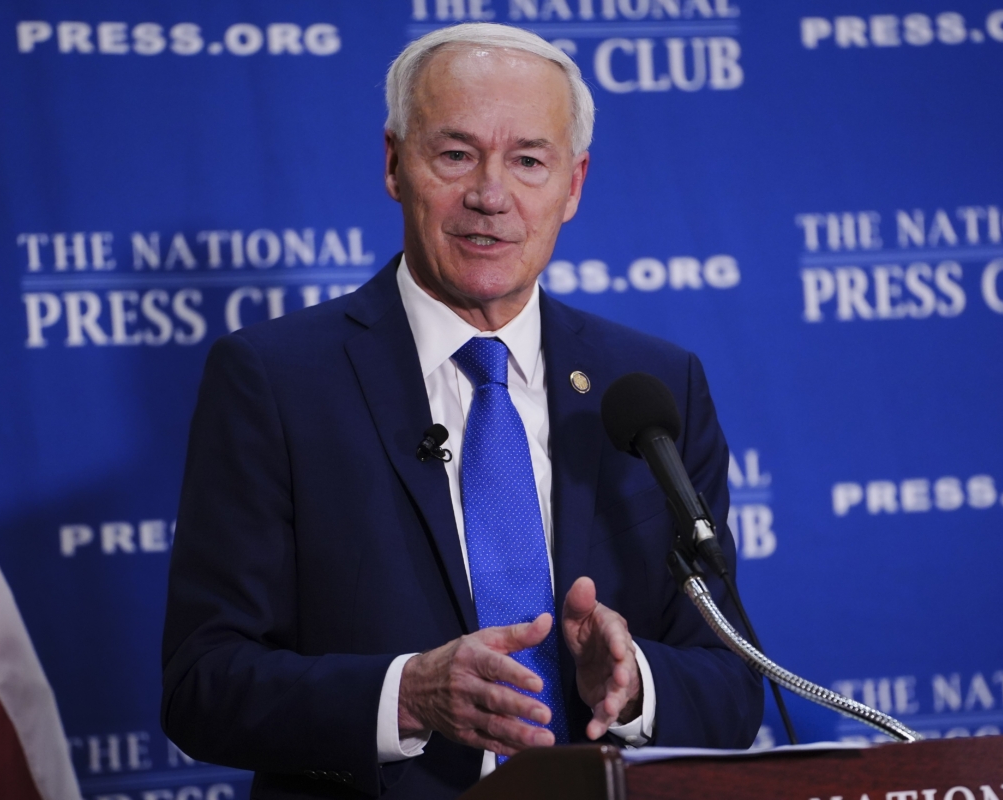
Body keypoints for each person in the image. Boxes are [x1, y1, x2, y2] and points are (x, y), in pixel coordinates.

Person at [161, 23, 763, 800]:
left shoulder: (652, 387)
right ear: (393, 164)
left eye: (529, 161)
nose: (491, 195)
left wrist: (635, 681)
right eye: (455, 155)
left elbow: (736, 686)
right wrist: (407, 692)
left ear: (573, 184)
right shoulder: (276, 381)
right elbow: (202, 683)